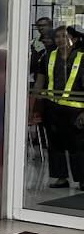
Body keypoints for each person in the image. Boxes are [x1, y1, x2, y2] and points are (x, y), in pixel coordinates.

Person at [37, 25, 84, 190]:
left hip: (76, 110)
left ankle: (82, 179)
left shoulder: (82, 58)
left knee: (78, 145)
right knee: (55, 144)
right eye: (57, 37)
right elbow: (40, 83)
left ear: (74, 39)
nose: (60, 40)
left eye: (65, 36)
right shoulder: (48, 56)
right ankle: (61, 177)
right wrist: (34, 107)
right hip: (52, 107)